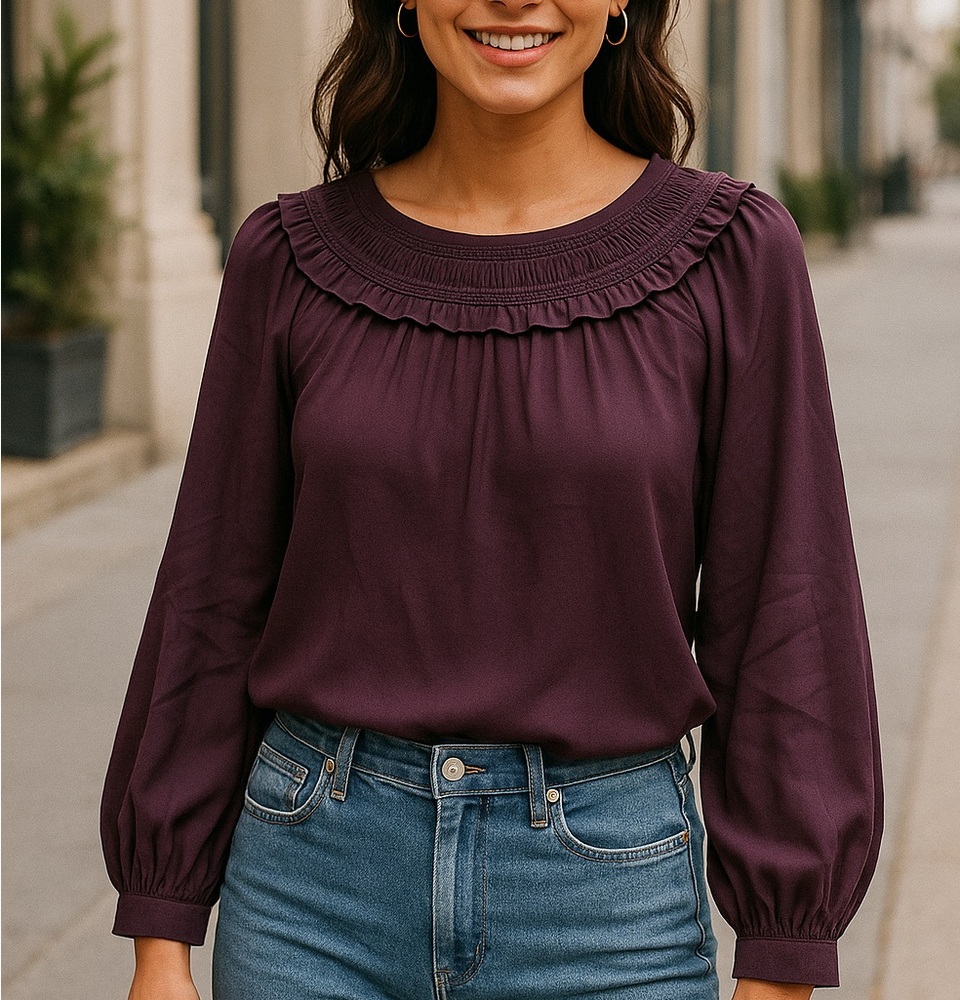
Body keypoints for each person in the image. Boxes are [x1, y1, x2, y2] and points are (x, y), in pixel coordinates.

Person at [101, 0, 883, 997]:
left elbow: (786, 606)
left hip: (607, 910)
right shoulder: (287, 260)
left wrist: (782, 952)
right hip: (309, 901)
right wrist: (161, 932)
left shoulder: (731, 256)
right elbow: (209, 597)